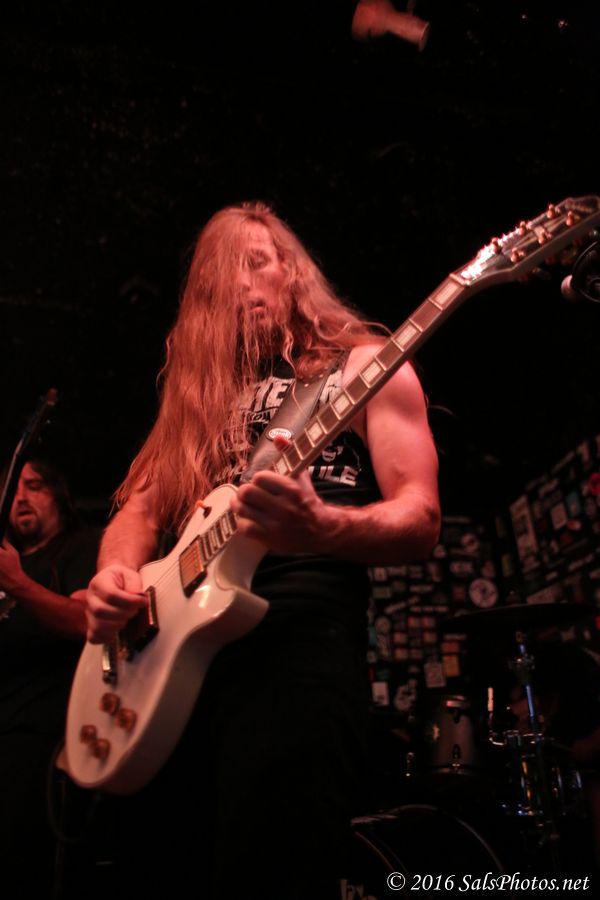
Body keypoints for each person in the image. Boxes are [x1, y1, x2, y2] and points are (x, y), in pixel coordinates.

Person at [84, 201, 441, 899]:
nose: (244, 286)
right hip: (170, 664)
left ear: (292, 272)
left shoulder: (365, 365)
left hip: (296, 643)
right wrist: (115, 573)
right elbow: (140, 510)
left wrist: (323, 528)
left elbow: (421, 518)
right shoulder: (197, 405)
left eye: (257, 264)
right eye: (224, 280)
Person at [0, 458, 101, 899]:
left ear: (58, 494)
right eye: (12, 490)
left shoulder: (82, 547)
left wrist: (18, 584)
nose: (21, 498)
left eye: (35, 486)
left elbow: (85, 622)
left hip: (41, 739)